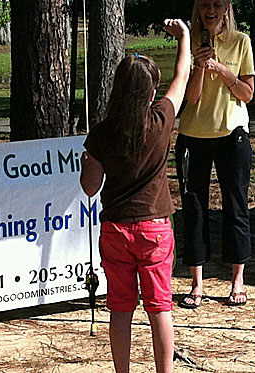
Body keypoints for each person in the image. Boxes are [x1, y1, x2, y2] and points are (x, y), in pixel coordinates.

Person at [80, 19, 190, 373]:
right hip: (155, 229)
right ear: (151, 90)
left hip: (115, 230)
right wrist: (184, 37)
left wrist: (87, 161)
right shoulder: (161, 120)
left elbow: (89, 187)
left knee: (121, 308)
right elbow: (182, 77)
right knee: (160, 307)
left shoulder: (102, 133)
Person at [175, 0, 255, 309]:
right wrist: (198, 66)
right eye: (205, 4)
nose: (211, 9)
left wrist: (221, 69)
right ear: (197, 8)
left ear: (226, 8)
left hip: (232, 135)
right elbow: (190, 99)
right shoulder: (189, 41)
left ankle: (237, 279)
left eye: (217, 4)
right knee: (194, 208)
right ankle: (197, 283)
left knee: (236, 206)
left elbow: (247, 94)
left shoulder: (241, 41)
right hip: (193, 137)